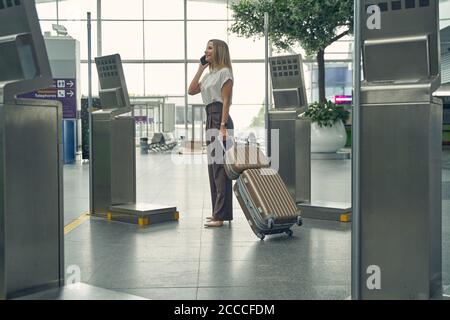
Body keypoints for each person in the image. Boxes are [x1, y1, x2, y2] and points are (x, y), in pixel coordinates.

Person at [188, 39, 234, 228]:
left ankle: (220, 216)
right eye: (206, 47)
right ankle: (218, 212)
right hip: (210, 119)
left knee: (221, 170)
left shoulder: (225, 73)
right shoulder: (208, 75)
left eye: (209, 48)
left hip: (220, 119)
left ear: (219, 51)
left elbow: (226, 101)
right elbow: (191, 90)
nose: (205, 50)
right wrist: (201, 67)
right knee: (213, 169)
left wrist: (222, 125)